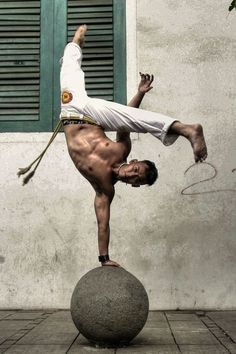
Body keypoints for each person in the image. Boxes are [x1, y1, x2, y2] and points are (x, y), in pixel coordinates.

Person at [19, 25, 207, 267]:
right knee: (77, 68)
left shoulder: (104, 189)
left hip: (70, 112)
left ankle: (187, 130)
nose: (132, 173)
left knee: (68, 74)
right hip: (91, 115)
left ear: (135, 184)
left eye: (136, 178)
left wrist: (104, 259)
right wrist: (140, 93)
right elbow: (128, 118)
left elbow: (103, 223)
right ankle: (186, 129)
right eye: (136, 169)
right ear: (135, 162)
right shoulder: (121, 150)